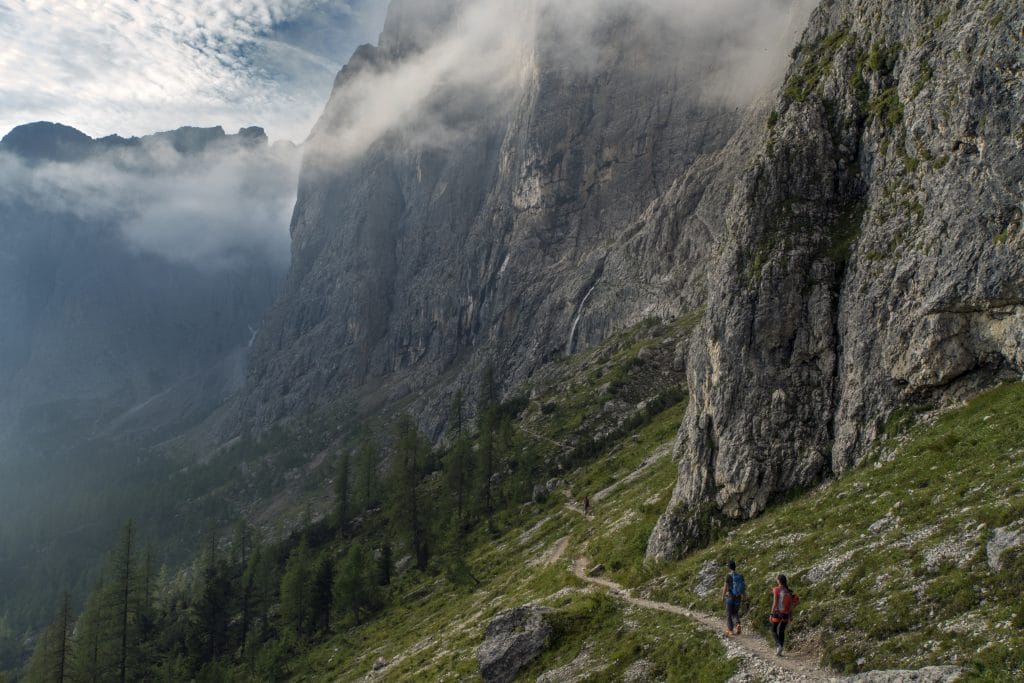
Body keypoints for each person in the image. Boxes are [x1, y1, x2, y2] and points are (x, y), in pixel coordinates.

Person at [769, 574, 799, 656]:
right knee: (781, 630)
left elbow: (775, 602)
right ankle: (780, 648)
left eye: (777, 579)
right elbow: (795, 602)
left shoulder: (776, 589)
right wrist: (790, 614)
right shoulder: (789, 591)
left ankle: (778, 645)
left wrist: (771, 613)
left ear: (779, 581)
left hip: (777, 613)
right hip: (786, 614)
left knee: (773, 629)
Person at [722, 560, 745, 635]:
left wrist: (722, 596)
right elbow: (743, 588)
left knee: (729, 613)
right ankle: (738, 624)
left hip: (730, 597)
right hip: (738, 597)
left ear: (729, 567)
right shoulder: (740, 575)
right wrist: (744, 596)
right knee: (735, 613)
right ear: (735, 566)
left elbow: (725, 587)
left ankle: (730, 630)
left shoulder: (728, 576)